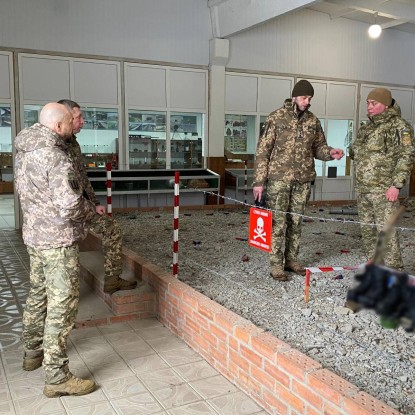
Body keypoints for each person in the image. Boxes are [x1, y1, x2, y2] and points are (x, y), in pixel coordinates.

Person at [14, 103, 97, 397]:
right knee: (62, 306)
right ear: (59, 126)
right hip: (58, 241)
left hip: (35, 237)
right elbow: (70, 204)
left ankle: (32, 352)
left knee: (38, 294)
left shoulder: (24, 150)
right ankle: (57, 376)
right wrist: (90, 211)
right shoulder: (56, 157)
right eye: (68, 124)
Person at [253, 80, 344, 281]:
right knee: (277, 223)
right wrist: (259, 182)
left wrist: (331, 153)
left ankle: (291, 260)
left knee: (295, 221)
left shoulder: (312, 121)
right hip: (279, 180)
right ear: (294, 96)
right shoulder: (276, 118)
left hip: (302, 181)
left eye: (310, 98)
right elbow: (262, 152)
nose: (307, 101)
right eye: (304, 97)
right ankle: (276, 265)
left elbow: (318, 148)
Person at [57, 99, 137, 294]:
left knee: (111, 228)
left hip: (81, 206)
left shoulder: (73, 143)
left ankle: (112, 279)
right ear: (65, 118)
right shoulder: (54, 146)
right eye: (78, 117)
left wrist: (94, 204)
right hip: (60, 212)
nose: (82, 121)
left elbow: (81, 177)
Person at [349, 88, 415, 270]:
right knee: (368, 233)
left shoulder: (399, 127)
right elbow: (356, 152)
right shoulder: (367, 127)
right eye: (368, 103)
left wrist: (396, 185)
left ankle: (395, 275)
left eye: (374, 103)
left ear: (385, 105)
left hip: (384, 191)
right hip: (364, 190)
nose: (369, 107)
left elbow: (406, 156)